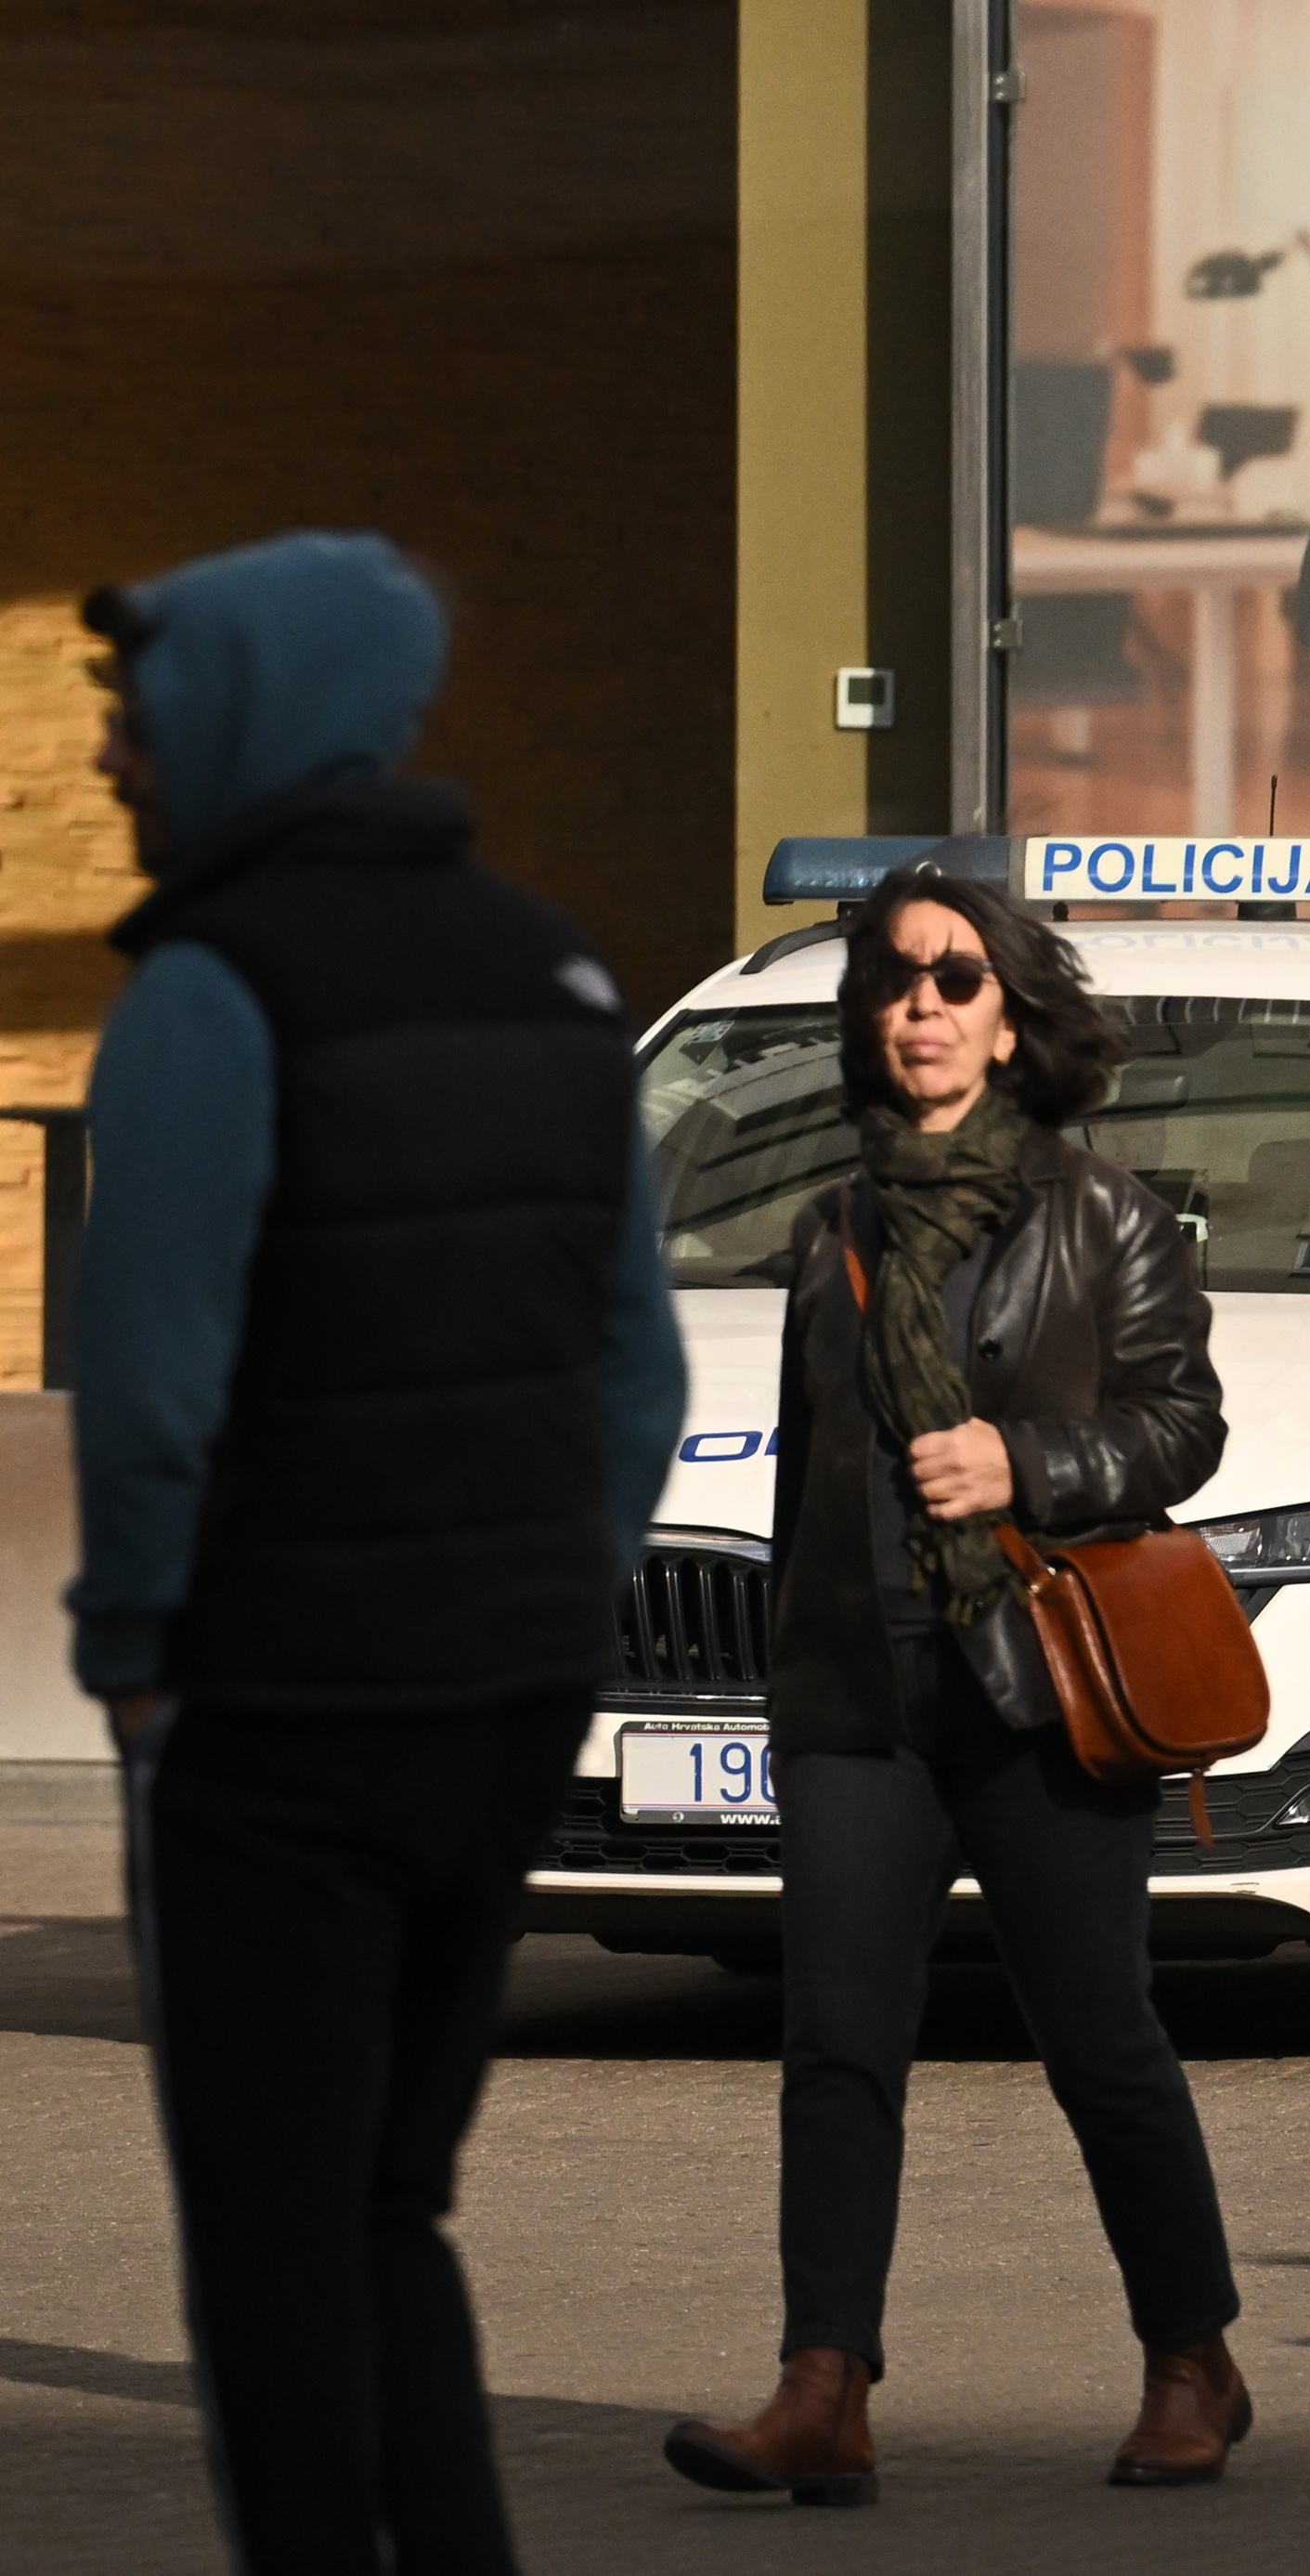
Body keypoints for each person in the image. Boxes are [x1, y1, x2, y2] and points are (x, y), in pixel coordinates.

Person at [71, 532, 688, 2576]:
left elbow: (154, 1387)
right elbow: (637, 1373)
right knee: (392, 2206)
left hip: (280, 1702)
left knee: (268, 2245)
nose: (111, 753)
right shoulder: (560, 967)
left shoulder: (208, 993)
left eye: (134, 710)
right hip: (504, 1697)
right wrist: (553, 1602)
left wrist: (141, 1647)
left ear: (243, 711)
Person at [664, 864, 1252, 2503]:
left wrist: (1029, 1458)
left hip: (1037, 1682)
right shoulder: (830, 1223)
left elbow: (1182, 1426)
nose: (922, 1002)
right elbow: (806, 1472)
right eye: (898, 979)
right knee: (836, 2038)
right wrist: (792, 1670)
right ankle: (823, 2383)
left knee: (1099, 2038)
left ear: (1012, 1016)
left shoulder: (1104, 1214)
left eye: (955, 977)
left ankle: (1193, 2351)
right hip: (863, 1691)